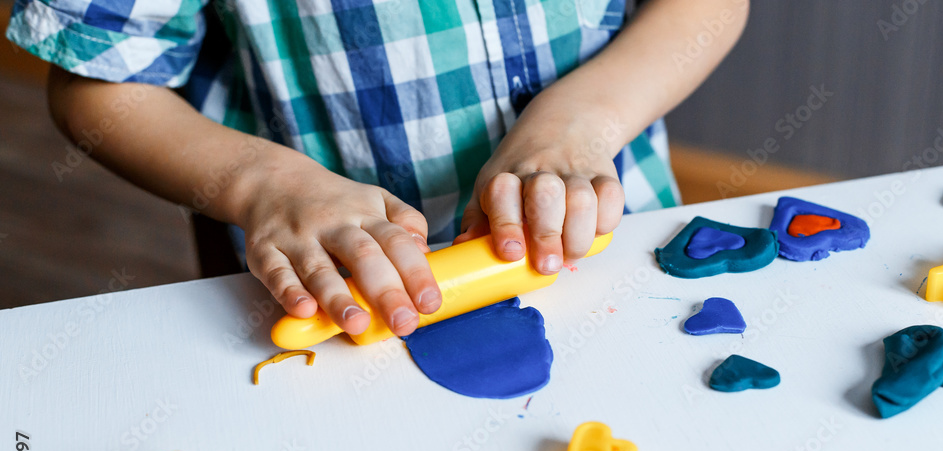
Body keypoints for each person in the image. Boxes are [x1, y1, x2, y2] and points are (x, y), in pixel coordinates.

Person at [8, 0, 748, 336]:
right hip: (335, 295)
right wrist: (265, 186)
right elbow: (99, 85)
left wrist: (578, 124)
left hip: (616, 256)